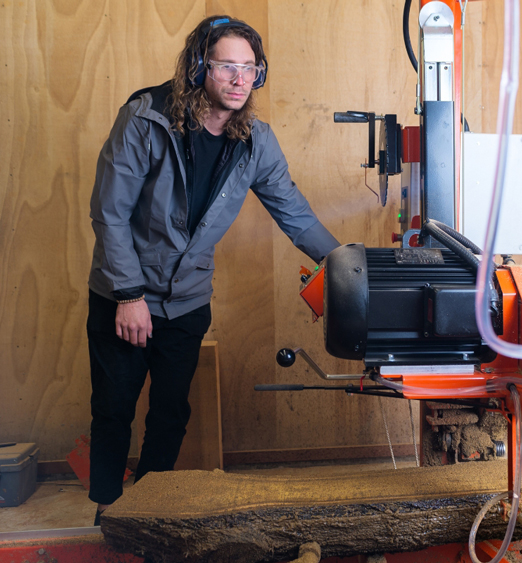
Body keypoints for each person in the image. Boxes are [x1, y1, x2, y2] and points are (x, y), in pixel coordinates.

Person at [86, 15, 340, 524]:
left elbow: (293, 211)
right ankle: (108, 510)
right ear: (199, 65)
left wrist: (349, 268)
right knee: (114, 408)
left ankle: (149, 508)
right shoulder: (146, 119)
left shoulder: (255, 141)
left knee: (171, 413)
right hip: (124, 295)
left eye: (250, 68)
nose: (240, 79)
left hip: (187, 300)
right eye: (228, 66)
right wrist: (129, 295)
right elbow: (108, 212)